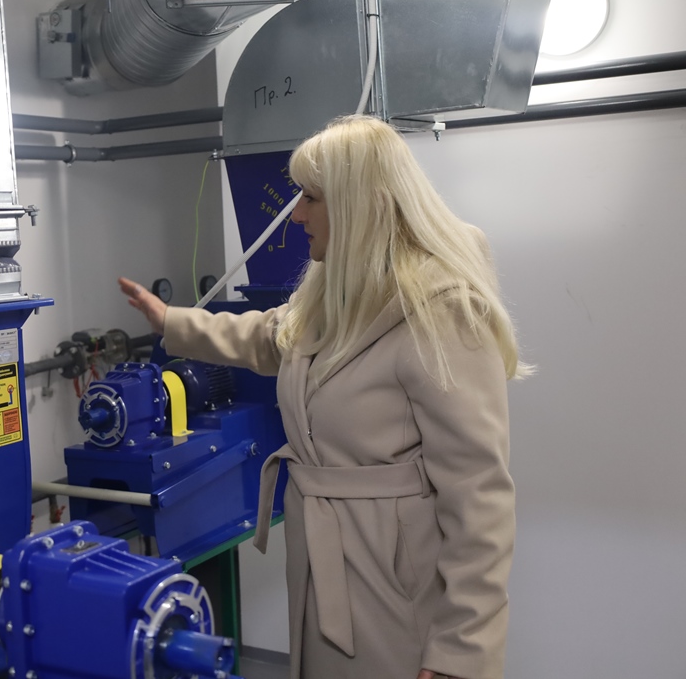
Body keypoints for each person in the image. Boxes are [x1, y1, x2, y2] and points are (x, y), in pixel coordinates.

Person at [119, 114, 529, 679]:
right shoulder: (337, 290)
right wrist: (173, 322)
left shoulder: (443, 312)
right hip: (320, 557)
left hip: (396, 588)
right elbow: (271, 336)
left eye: (311, 197)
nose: (296, 214)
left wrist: (463, 651)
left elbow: (480, 496)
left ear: (359, 206)